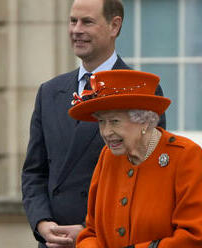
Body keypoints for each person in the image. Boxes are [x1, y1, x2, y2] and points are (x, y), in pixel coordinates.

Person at [21, 0, 167, 247]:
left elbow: (148, 180)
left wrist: (88, 230)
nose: (76, 29)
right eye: (72, 21)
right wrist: (42, 223)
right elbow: (34, 172)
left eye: (87, 22)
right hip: (52, 241)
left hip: (108, 239)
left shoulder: (142, 91)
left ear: (114, 26)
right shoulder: (49, 91)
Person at [68, 69, 202, 248]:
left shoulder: (184, 155)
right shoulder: (108, 156)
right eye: (101, 122)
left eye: (114, 121)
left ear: (143, 120)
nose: (105, 132)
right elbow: (91, 232)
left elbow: (195, 238)